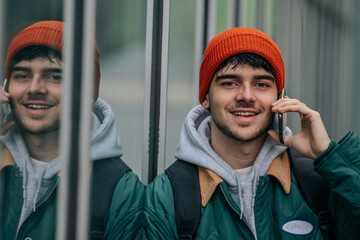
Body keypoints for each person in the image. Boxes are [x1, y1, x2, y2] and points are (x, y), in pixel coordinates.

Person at [143, 27, 360, 239]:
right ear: (206, 97)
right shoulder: (167, 196)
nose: (246, 95)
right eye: (229, 82)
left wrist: (330, 154)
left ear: (281, 97)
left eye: (261, 84)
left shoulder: (321, 180)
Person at [0, 21, 144, 240]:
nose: (34, 88)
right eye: (23, 75)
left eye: (54, 76)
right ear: (6, 88)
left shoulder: (120, 190)